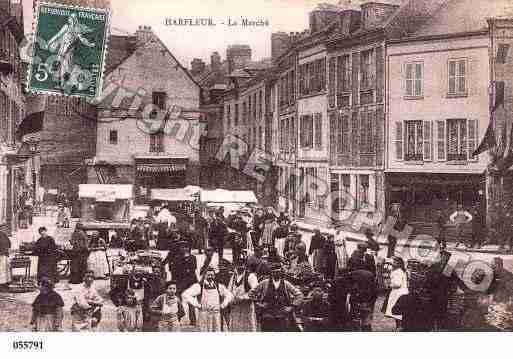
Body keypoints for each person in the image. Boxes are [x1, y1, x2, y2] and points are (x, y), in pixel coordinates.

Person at [249, 262, 303, 332]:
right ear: (271, 273)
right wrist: (258, 303)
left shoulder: (286, 283)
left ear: (281, 272)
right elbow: (251, 293)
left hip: (282, 315)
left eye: (278, 272)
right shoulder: (265, 283)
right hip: (267, 314)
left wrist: (292, 307)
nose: (276, 274)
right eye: (274, 272)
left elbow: (299, 295)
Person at [47, 12, 96, 88]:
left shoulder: (77, 29)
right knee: (59, 65)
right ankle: (60, 83)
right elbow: (58, 35)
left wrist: (89, 44)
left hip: (70, 51)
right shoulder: (66, 27)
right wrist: (50, 42)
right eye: (69, 18)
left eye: (70, 18)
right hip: (62, 49)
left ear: (74, 20)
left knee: (66, 67)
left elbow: (82, 39)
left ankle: (63, 84)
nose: (69, 19)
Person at [182, 267, 233, 332]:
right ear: (204, 275)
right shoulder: (199, 286)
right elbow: (185, 295)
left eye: (212, 275)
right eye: (208, 275)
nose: (210, 277)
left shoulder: (218, 286)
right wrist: (197, 305)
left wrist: (223, 305)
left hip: (216, 315)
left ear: (214, 276)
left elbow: (229, 295)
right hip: (204, 315)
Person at [172, 242, 198, 325]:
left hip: (190, 282)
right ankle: (178, 319)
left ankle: (193, 320)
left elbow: (193, 268)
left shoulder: (193, 257)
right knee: (178, 301)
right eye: (182, 247)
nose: (184, 249)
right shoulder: (176, 258)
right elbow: (175, 270)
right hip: (180, 282)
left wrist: (185, 262)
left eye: (186, 247)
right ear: (179, 248)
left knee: (191, 301)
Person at [228, 262, 258, 331]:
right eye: (238, 264)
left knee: (247, 328)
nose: (240, 266)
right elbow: (229, 291)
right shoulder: (233, 277)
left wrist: (243, 298)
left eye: (242, 264)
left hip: (246, 308)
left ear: (245, 265)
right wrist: (230, 300)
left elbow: (256, 290)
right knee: (235, 328)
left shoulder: (250, 276)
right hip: (235, 308)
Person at [383, 256, 409, 330]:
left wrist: (390, 284)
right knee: (398, 312)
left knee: (398, 311)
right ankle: (398, 327)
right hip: (400, 292)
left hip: (398, 293)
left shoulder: (398, 272)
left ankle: (399, 327)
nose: (392, 263)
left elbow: (397, 284)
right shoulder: (400, 271)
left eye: (394, 262)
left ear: (398, 263)